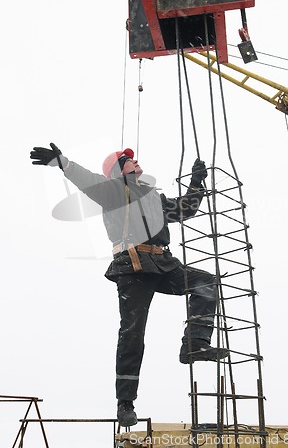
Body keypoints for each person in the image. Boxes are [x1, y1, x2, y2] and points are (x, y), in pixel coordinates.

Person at [30, 143, 229, 427]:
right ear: (117, 171)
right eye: (127, 160)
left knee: (206, 283)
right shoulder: (113, 191)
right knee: (132, 333)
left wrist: (196, 181)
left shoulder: (152, 196)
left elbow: (186, 209)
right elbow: (86, 180)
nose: (134, 162)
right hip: (133, 267)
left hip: (163, 264)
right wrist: (61, 162)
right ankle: (125, 403)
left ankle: (195, 344)